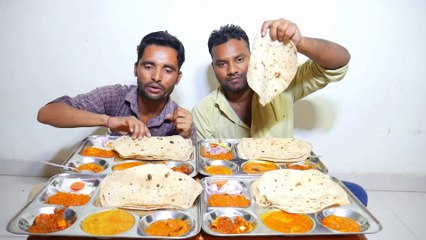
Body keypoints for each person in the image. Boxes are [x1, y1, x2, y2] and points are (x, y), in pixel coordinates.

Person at [192, 18, 368, 206]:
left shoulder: (282, 85)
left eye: (239, 59)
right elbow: (209, 171)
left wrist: (300, 43)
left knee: (357, 196)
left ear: (253, 58)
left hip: (289, 187)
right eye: (222, 64)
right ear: (214, 68)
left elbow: (338, 64)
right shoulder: (203, 111)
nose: (232, 70)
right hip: (237, 194)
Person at [38, 31, 194, 140]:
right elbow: (46, 113)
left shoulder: (179, 119)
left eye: (167, 70)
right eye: (148, 66)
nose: (156, 77)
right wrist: (109, 121)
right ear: (135, 68)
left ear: (178, 78)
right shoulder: (114, 96)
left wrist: (186, 136)